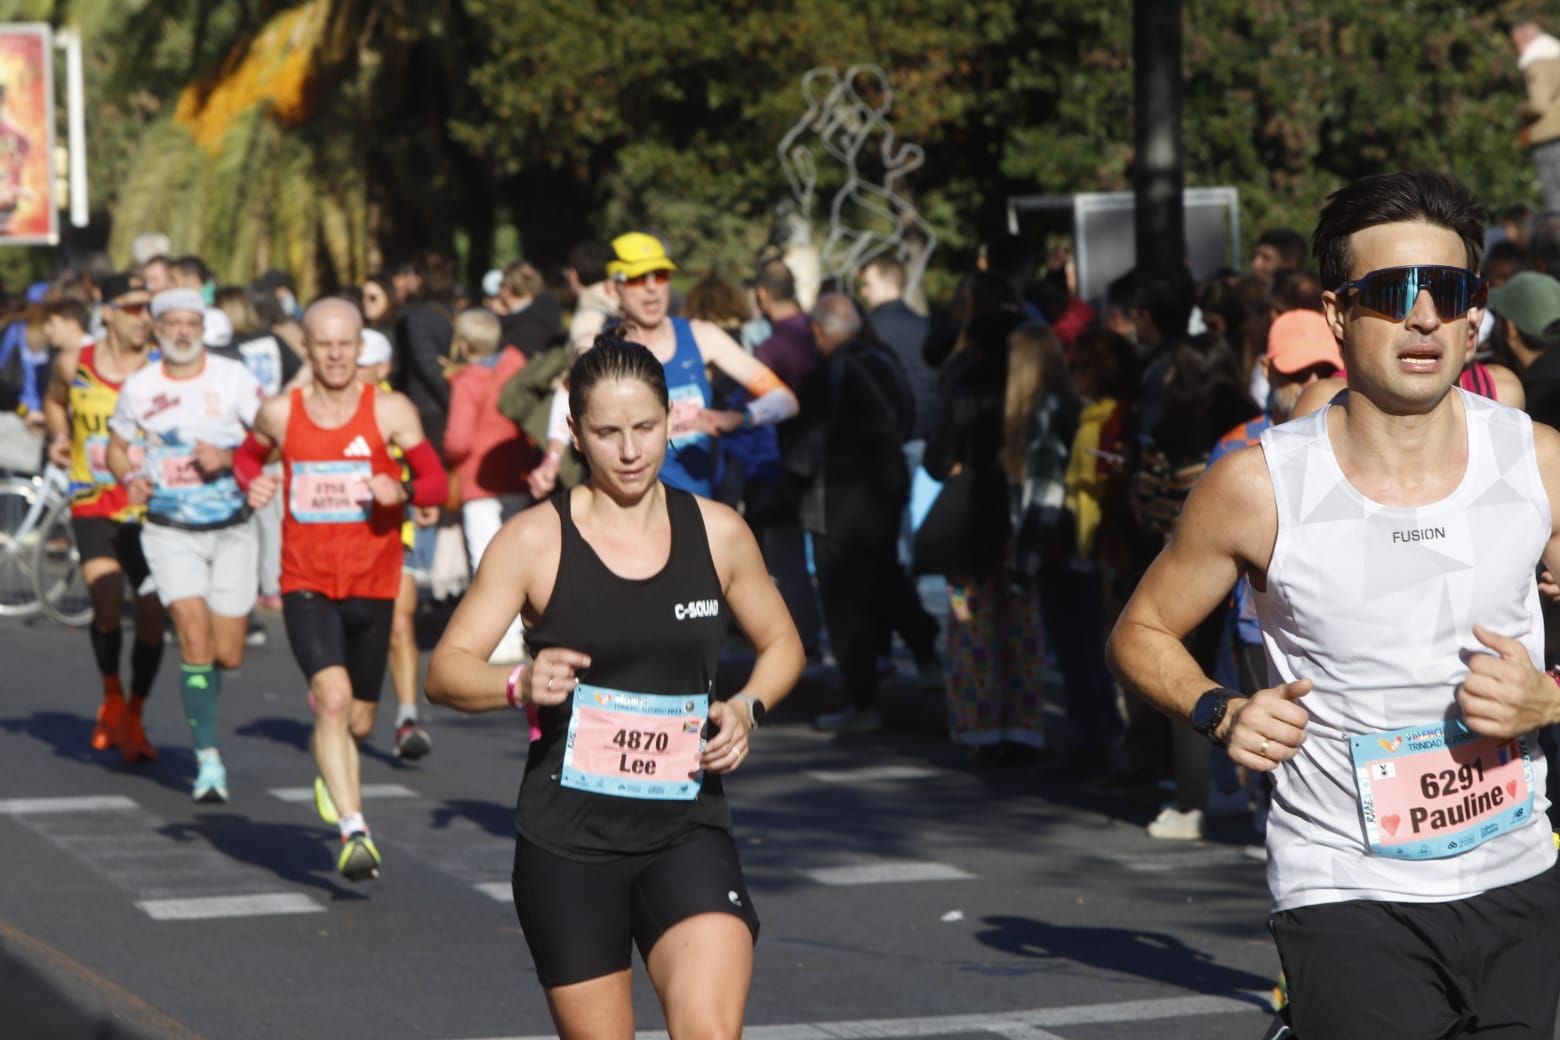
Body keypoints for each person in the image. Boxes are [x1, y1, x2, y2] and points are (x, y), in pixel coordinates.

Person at [1108, 170, 1560, 1038]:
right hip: (1346, 884)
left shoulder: (1534, 460)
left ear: (1477, 316)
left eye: (1452, 291)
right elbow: (1143, 628)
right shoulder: (1261, 484)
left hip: (1516, 876)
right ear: (1339, 313)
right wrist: (1219, 709)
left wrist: (1549, 697)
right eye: (1395, 293)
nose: (1425, 316)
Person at [424, 335, 803, 1037]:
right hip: (569, 844)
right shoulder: (534, 541)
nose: (630, 451)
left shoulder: (719, 533)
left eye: (645, 428)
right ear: (574, 433)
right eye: (606, 433)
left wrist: (748, 707)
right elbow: (445, 670)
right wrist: (518, 682)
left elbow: (782, 644)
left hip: (686, 829)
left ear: (670, 420)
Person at [237, 299, 448, 880]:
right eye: (323, 344)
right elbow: (247, 459)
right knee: (330, 699)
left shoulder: (391, 411)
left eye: (345, 344)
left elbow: (436, 483)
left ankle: (331, 766)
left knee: (357, 720)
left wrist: (399, 486)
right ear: (306, 348)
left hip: (373, 582)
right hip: (305, 580)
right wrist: (253, 484)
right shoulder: (281, 412)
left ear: (361, 348)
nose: (334, 355)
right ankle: (355, 830)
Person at [107, 289, 265, 800]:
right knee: (193, 637)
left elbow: (270, 435)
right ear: (156, 330)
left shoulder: (232, 378)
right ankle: (208, 758)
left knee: (228, 653)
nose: (181, 331)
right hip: (168, 530)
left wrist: (230, 457)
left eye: (190, 323)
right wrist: (129, 475)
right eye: (170, 322)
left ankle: (205, 708)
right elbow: (115, 444)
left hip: (233, 529)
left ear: (202, 327)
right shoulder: (140, 387)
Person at [532, 232, 798, 500]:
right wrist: (551, 462)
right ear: (614, 288)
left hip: (697, 505)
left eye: (660, 275)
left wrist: (738, 419)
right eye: (637, 278)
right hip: (625, 509)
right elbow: (566, 398)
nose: (651, 288)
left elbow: (785, 400)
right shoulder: (597, 346)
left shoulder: (702, 336)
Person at [788, 294, 926, 733]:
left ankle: (861, 700)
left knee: (844, 603)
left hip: (835, 505)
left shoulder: (826, 374)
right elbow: (907, 415)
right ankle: (928, 657)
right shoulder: (882, 359)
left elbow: (804, 448)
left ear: (820, 331)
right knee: (888, 579)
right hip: (885, 494)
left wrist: (792, 482)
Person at [42, 274, 165, 761]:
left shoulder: (162, 368)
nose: (144, 318)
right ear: (107, 311)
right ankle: (111, 696)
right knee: (107, 594)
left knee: (154, 617)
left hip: (148, 508)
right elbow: (55, 401)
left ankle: (135, 711)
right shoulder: (77, 363)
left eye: (148, 308)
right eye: (133, 308)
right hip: (93, 499)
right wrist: (59, 434)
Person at [443, 306, 536, 662]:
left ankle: (502, 638)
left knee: (487, 561)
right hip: (517, 472)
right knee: (519, 558)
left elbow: (459, 440)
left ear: (463, 345)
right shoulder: (517, 367)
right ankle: (527, 630)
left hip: (479, 482)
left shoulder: (468, 381)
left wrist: (447, 454)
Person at [1513, 20, 1560, 211]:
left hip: (1550, 137)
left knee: (1554, 199)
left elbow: (1539, 104)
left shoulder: (1537, 60)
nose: (1517, 49)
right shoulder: (1556, 54)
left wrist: (1519, 109)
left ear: (1527, 38)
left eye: (1517, 43)